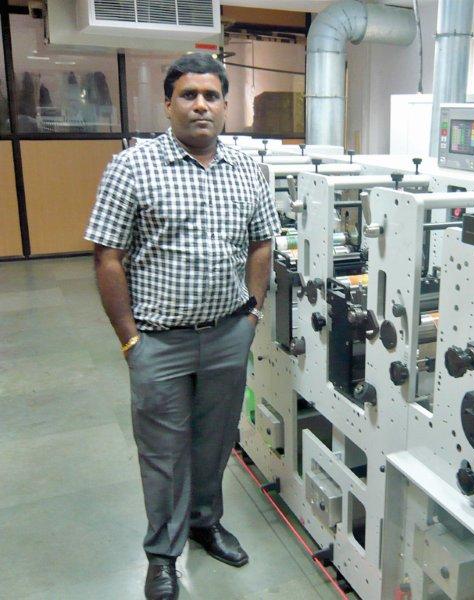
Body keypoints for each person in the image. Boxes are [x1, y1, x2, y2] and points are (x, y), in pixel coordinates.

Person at [85, 53, 280, 600]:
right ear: (168, 104)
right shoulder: (132, 166)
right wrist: (130, 339)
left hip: (227, 335)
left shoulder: (248, 168)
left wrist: (252, 314)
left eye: (211, 96)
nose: (200, 105)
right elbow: (107, 257)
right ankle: (163, 553)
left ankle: (204, 523)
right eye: (188, 95)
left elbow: (263, 242)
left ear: (225, 106)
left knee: (216, 441)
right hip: (158, 340)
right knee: (163, 452)